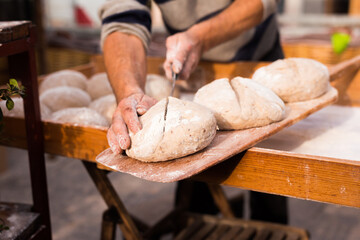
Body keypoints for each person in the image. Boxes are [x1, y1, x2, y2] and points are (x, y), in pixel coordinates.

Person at [99, 0, 287, 224]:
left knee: (269, 183)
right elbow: (122, 18)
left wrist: (201, 37)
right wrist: (129, 91)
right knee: (195, 185)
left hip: (259, 71)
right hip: (193, 72)